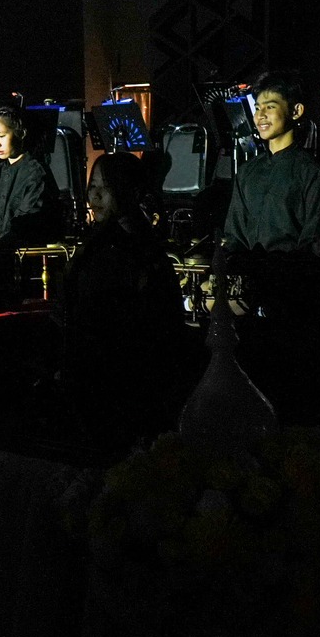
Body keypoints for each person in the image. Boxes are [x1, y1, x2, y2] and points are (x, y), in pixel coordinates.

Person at [56, 152, 193, 453]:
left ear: (130, 191)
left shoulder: (137, 249)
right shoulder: (101, 241)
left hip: (124, 378)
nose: (96, 195)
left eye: (106, 187)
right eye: (93, 186)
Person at [219, 72, 320, 256]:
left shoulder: (309, 171)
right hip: (250, 272)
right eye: (257, 108)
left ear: (296, 111)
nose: (260, 115)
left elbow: (313, 240)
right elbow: (235, 236)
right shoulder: (247, 172)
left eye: (270, 107)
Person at [0, 106, 61, 246]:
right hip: (1, 250)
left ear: (21, 133)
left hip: (25, 251)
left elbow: (25, 224)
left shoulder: (36, 173)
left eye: (2, 136)